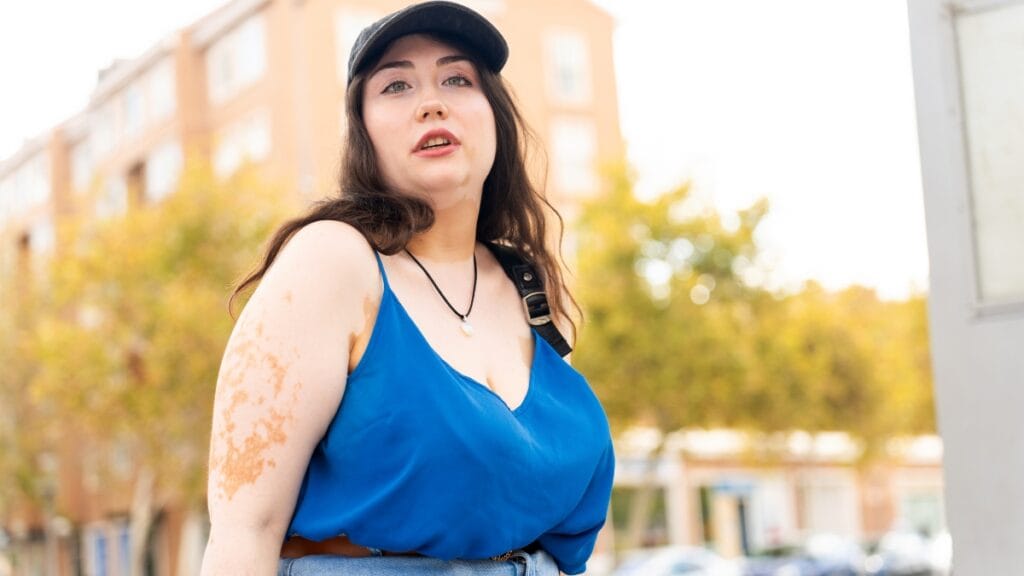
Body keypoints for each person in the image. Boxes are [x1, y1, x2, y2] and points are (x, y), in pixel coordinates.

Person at [199, 2, 614, 575]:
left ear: (493, 116)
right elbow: (244, 530)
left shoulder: (531, 292)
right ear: (362, 132)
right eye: (396, 85)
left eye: (457, 79)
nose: (432, 101)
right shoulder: (333, 261)